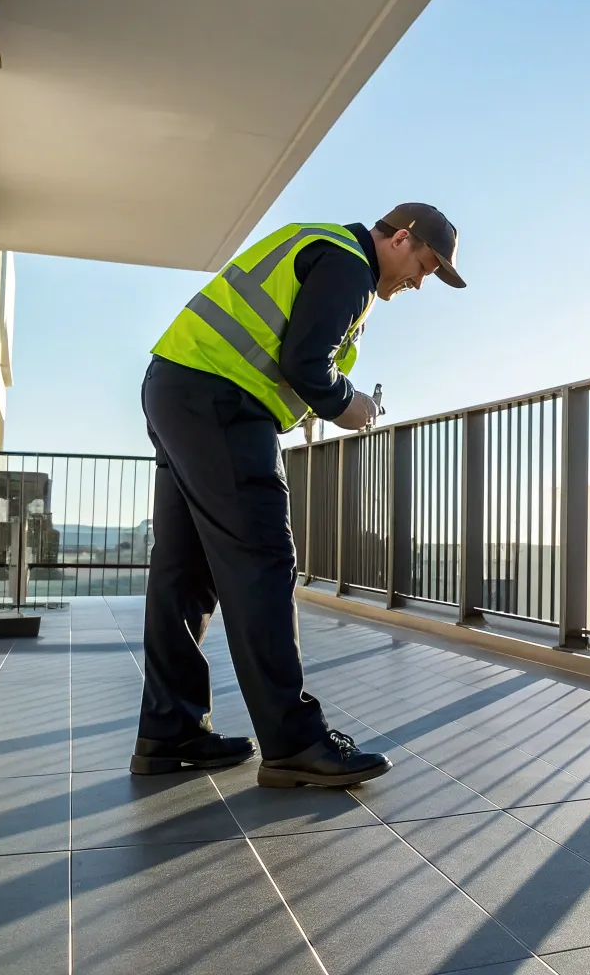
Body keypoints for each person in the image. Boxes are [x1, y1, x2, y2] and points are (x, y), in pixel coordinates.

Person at [129, 204, 465, 787]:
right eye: (424, 265)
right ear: (401, 239)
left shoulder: (319, 243)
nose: (418, 282)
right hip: (224, 402)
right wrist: (350, 404)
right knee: (262, 560)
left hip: (177, 385)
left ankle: (169, 729)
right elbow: (305, 364)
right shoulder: (348, 264)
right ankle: (294, 741)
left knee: (184, 571)